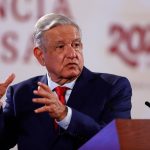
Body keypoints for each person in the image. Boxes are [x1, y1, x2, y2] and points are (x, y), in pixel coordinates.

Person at [0, 13, 132, 150]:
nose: (72, 54)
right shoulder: (20, 94)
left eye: (76, 45)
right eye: (60, 47)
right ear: (40, 55)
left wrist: (65, 115)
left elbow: (114, 142)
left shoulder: (113, 88)